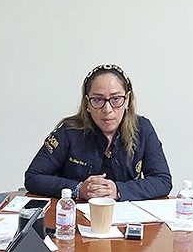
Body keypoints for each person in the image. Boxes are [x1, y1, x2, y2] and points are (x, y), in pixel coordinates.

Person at [24, 63, 172, 202]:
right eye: (98, 100)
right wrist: (78, 189)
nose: (107, 110)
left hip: (126, 214)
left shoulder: (142, 128)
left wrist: (118, 190)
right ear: (87, 103)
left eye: (116, 99)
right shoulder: (68, 131)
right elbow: (33, 177)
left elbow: (163, 180)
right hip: (77, 214)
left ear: (127, 100)